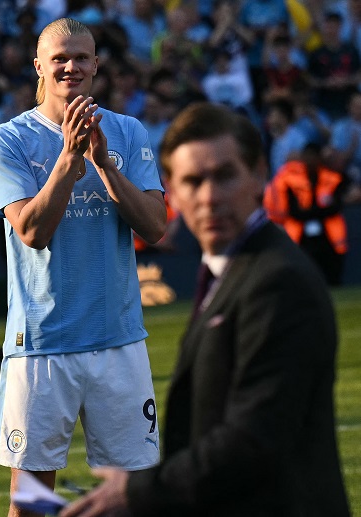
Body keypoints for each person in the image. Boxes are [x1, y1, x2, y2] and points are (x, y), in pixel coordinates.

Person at [60, 102, 350, 517]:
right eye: (193, 181)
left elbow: (254, 439)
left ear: (259, 176)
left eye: (224, 176)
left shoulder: (276, 281)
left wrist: (139, 492)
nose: (210, 196)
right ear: (172, 193)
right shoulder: (230, 269)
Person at [0, 18, 167, 517]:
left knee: (133, 496)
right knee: (33, 503)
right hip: (41, 347)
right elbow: (32, 231)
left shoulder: (127, 132)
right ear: (38, 65)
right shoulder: (8, 140)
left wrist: (106, 163)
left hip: (119, 342)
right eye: (59, 58)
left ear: (96, 65)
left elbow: (155, 226)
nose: (71, 67)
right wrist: (69, 157)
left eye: (81, 57)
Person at [264, 142, 350, 286]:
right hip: (301, 237)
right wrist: (319, 211)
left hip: (329, 238)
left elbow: (335, 206)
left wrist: (309, 212)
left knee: (332, 277)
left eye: (313, 156)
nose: (309, 160)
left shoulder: (331, 177)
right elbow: (293, 211)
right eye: (306, 156)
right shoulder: (291, 178)